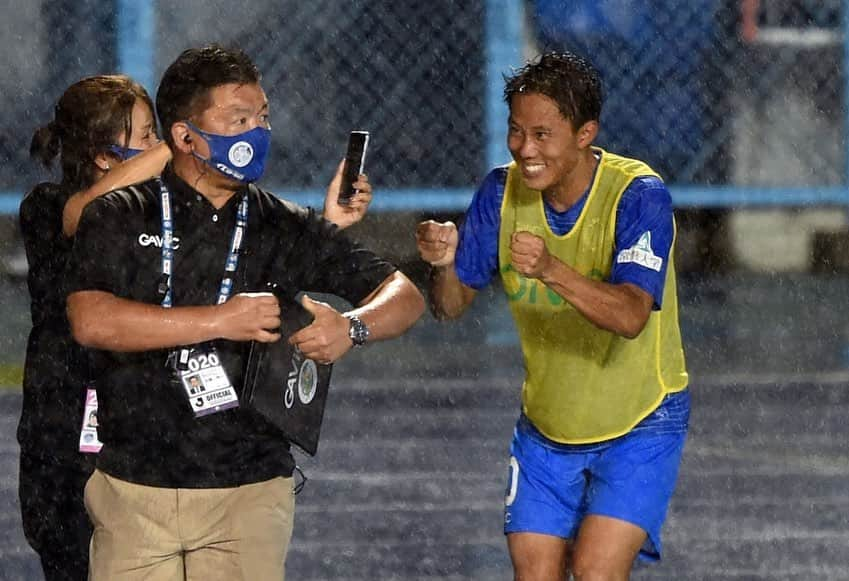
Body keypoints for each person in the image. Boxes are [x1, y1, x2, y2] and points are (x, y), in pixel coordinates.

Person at [65, 44, 424, 580]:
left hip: (248, 492)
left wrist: (352, 327)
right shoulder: (119, 214)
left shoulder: (284, 225)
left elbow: (404, 294)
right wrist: (220, 319)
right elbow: (91, 320)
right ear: (184, 137)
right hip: (134, 488)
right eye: (239, 119)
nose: (258, 132)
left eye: (263, 117)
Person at [416, 51, 689, 580]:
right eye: (516, 132)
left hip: (641, 423)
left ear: (586, 133)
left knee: (593, 572)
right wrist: (446, 263)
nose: (524, 149)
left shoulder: (638, 196)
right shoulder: (499, 193)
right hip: (546, 430)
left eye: (542, 134)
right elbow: (450, 306)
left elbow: (632, 315)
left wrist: (551, 270)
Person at [19, 74, 164, 581]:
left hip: (135, 426)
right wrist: (177, 152)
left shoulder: (157, 212)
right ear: (104, 156)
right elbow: (80, 213)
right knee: (71, 555)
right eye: (145, 136)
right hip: (61, 427)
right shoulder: (46, 206)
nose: (157, 146)